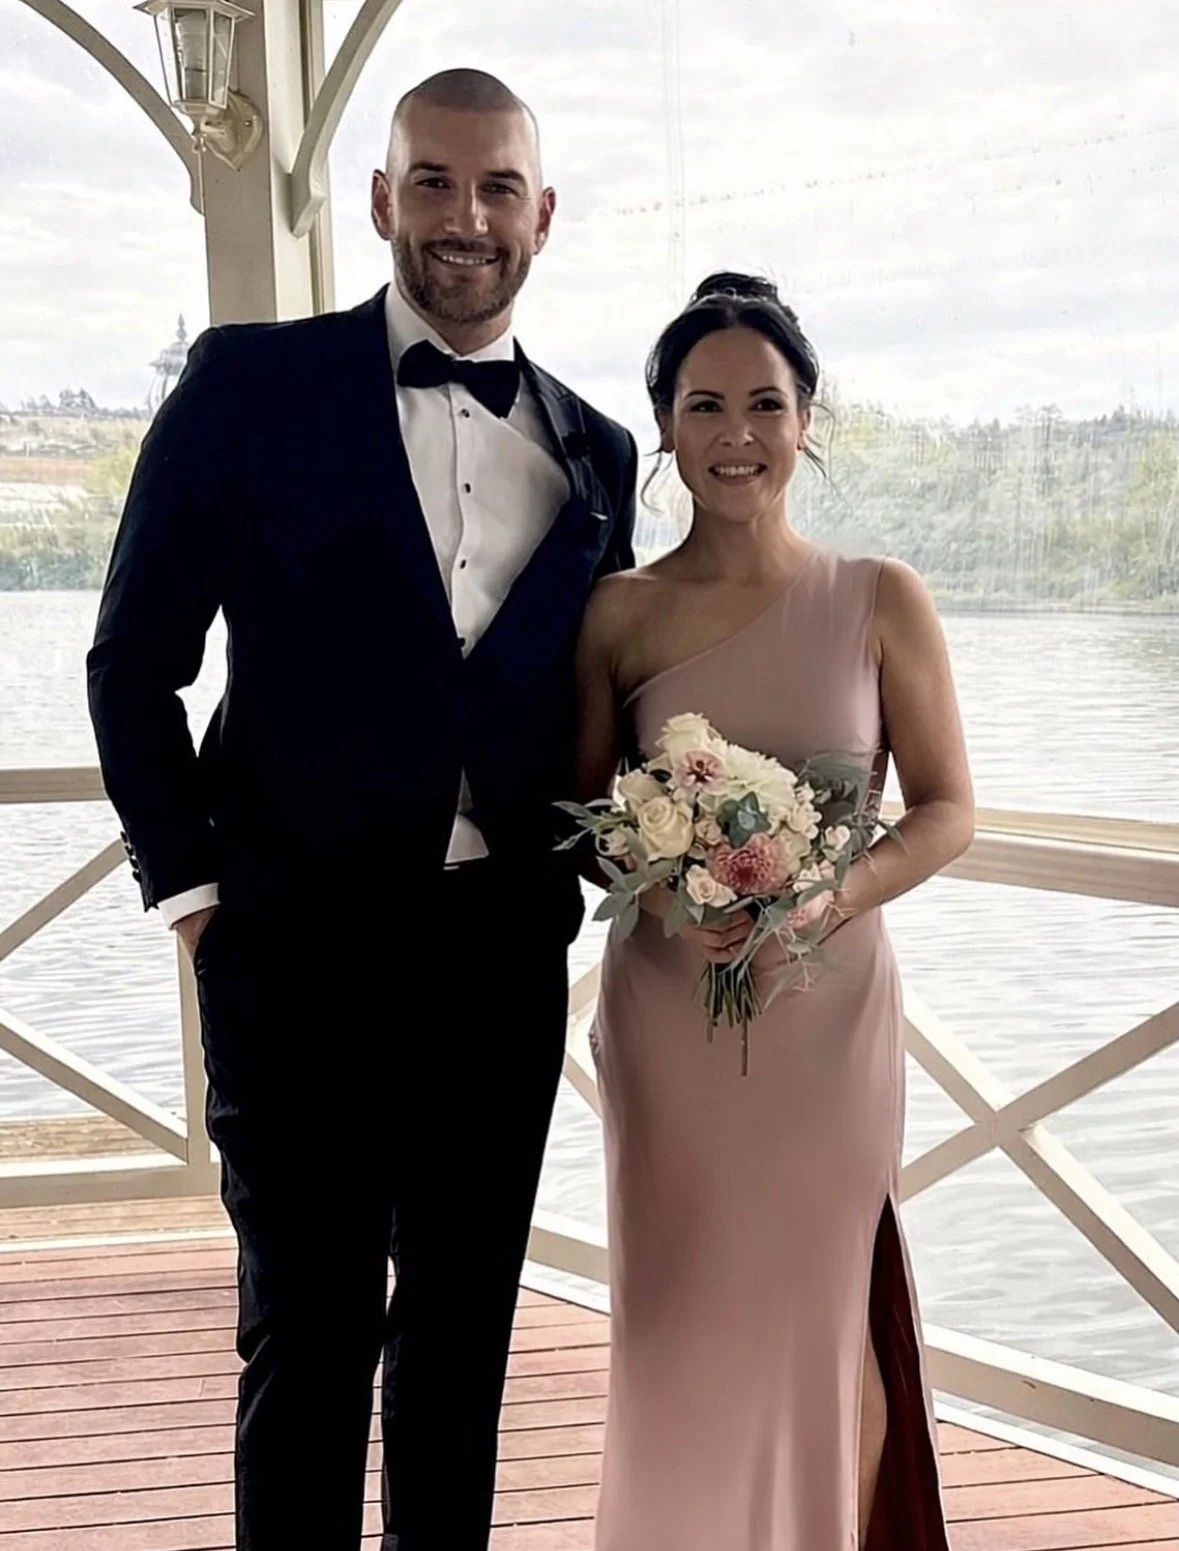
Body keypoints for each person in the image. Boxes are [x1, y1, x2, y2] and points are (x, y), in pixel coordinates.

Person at [87, 69, 636, 1551]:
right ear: (381, 198)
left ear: (542, 213)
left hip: (498, 962)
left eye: (498, 186)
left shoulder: (599, 451)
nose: (466, 218)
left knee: (460, 1354)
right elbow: (133, 661)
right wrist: (194, 899)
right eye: (436, 182)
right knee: (309, 1345)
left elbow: (601, 702)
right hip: (294, 952)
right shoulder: (249, 386)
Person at [573, 271, 974, 1549]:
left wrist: (823, 899)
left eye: (764, 402)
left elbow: (948, 808)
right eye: (705, 405)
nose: (735, 432)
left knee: (827, 1325)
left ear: (807, 420)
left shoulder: (879, 597)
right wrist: (674, 879)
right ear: (667, 428)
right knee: (682, 1325)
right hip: (671, 1017)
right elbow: (579, 824)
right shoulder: (619, 613)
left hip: (826, 1021)